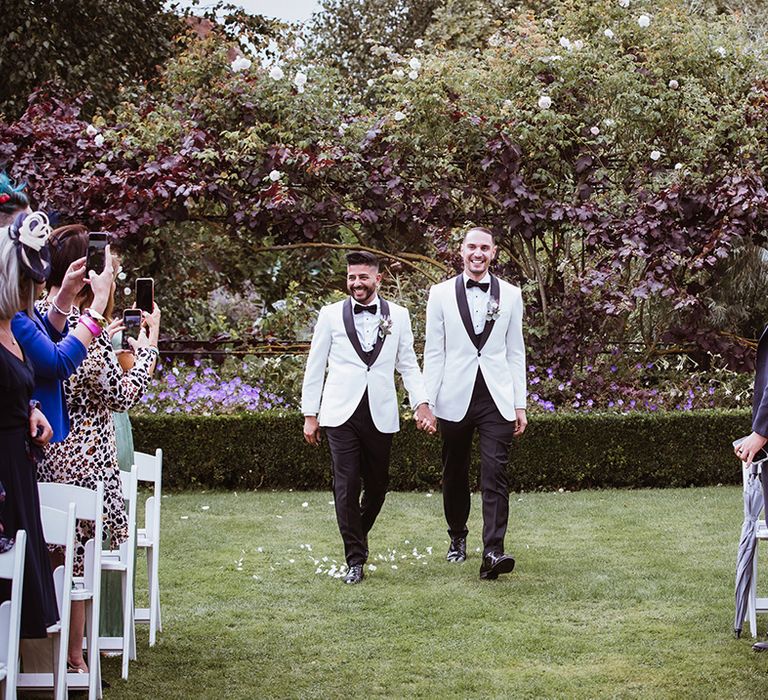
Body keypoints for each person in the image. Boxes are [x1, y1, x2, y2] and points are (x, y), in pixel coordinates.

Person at [38, 226, 161, 672]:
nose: (116, 270)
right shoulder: (81, 331)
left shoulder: (35, 315)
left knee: (53, 556)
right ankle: (73, 658)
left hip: (44, 460)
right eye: (109, 263)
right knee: (73, 563)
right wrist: (148, 347)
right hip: (84, 464)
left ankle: (46, 650)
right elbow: (121, 395)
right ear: (88, 272)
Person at [301, 251, 436, 584]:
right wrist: (310, 414)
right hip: (339, 413)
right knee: (346, 485)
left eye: (363, 277)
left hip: (380, 411)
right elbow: (315, 366)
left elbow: (408, 364)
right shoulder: (330, 315)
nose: (356, 283)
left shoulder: (399, 316)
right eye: (351, 277)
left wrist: (421, 403)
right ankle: (355, 558)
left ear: (378, 278)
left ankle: (355, 534)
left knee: (377, 487)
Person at [423, 227, 527, 580]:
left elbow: (516, 352)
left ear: (494, 252)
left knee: (495, 472)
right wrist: (426, 401)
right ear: (461, 251)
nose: (478, 253)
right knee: (454, 471)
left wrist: (519, 403)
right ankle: (457, 535)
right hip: (454, 395)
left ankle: (494, 551)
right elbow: (434, 352)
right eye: (472, 247)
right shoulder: (439, 295)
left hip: (496, 397)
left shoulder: (512, 295)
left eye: (484, 247)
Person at [0, 210, 59, 638]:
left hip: (19, 469)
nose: (35, 290)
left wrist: (32, 408)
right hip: (2, 478)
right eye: (27, 282)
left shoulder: (10, 328)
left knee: (17, 603)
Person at [12, 224, 116, 443]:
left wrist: (67, 293)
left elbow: (47, 337)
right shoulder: (13, 317)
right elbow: (58, 363)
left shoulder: (24, 311)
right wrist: (97, 306)